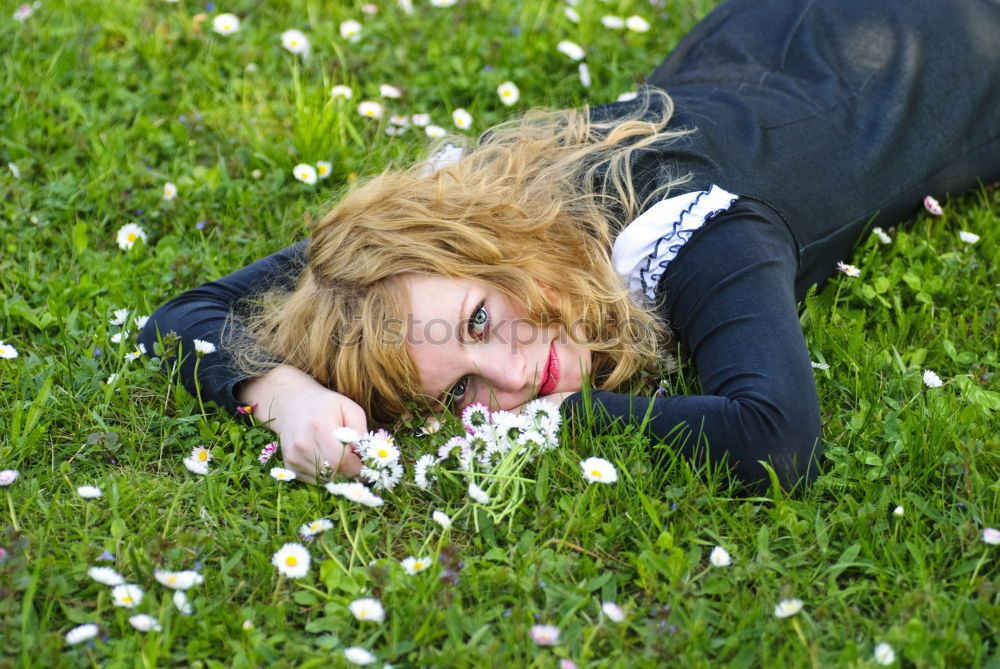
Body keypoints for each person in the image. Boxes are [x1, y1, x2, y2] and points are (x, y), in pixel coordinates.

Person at [140, 0, 1000, 489]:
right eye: (465, 391)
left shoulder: (694, 228)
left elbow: (775, 437)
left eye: (480, 323)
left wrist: (559, 421)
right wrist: (282, 392)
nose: (517, 379)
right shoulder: (428, 244)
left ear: (485, 243)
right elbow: (185, 314)